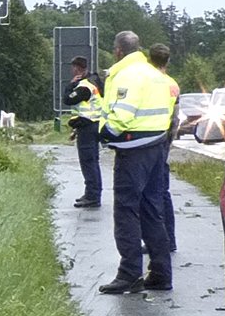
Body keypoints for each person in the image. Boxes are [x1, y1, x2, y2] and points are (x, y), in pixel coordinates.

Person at [98, 31, 176, 294]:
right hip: (156, 147)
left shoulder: (128, 75)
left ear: (118, 50)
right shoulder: (155, 73)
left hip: (133, 151)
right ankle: (161, 273)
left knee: (126, 211)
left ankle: (130, 273)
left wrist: (105, 133)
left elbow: (123, 114)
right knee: (152, 211)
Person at [147, 43, 181, 253]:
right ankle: (169, 238)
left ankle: (155, 240)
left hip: (148, 139)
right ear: (168, 61)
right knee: (163, 191)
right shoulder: (173, 85)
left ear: (150, 59)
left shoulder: (148, 82)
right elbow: (176, 118)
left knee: (149, 193)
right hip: (164, 139)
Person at [64, 55, 106, 207]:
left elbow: (68, 99)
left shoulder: (84, 87)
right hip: (94, 125)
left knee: (88, 162)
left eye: (73, 67)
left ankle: (93, 196)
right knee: (92, 161)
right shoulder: (94, 82)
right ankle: (91, 193)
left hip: (88, 127)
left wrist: (70, 85)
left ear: (77, 68)